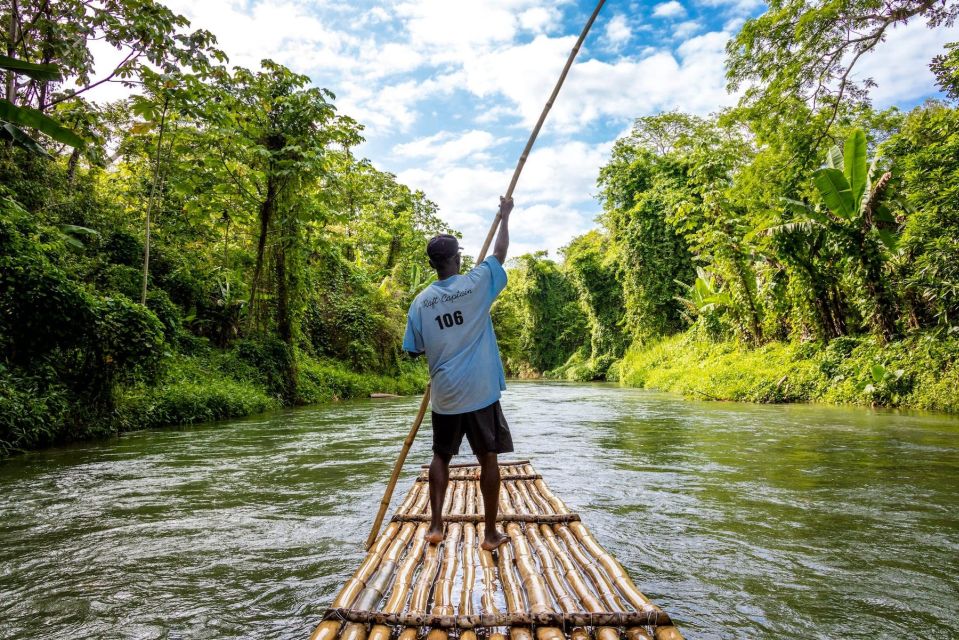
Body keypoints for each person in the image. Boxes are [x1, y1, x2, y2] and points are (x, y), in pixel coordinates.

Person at [402, 196, 515, 551]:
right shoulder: (476, 284)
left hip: (446, 393)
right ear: (456, 259)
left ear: (433, 263)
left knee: (440, 456)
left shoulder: (420, 302)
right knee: (488, 457)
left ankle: (436, 526)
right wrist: (505, 216)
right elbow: (500, 253)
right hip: (480, 390)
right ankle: (490, 533)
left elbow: (414, 349)